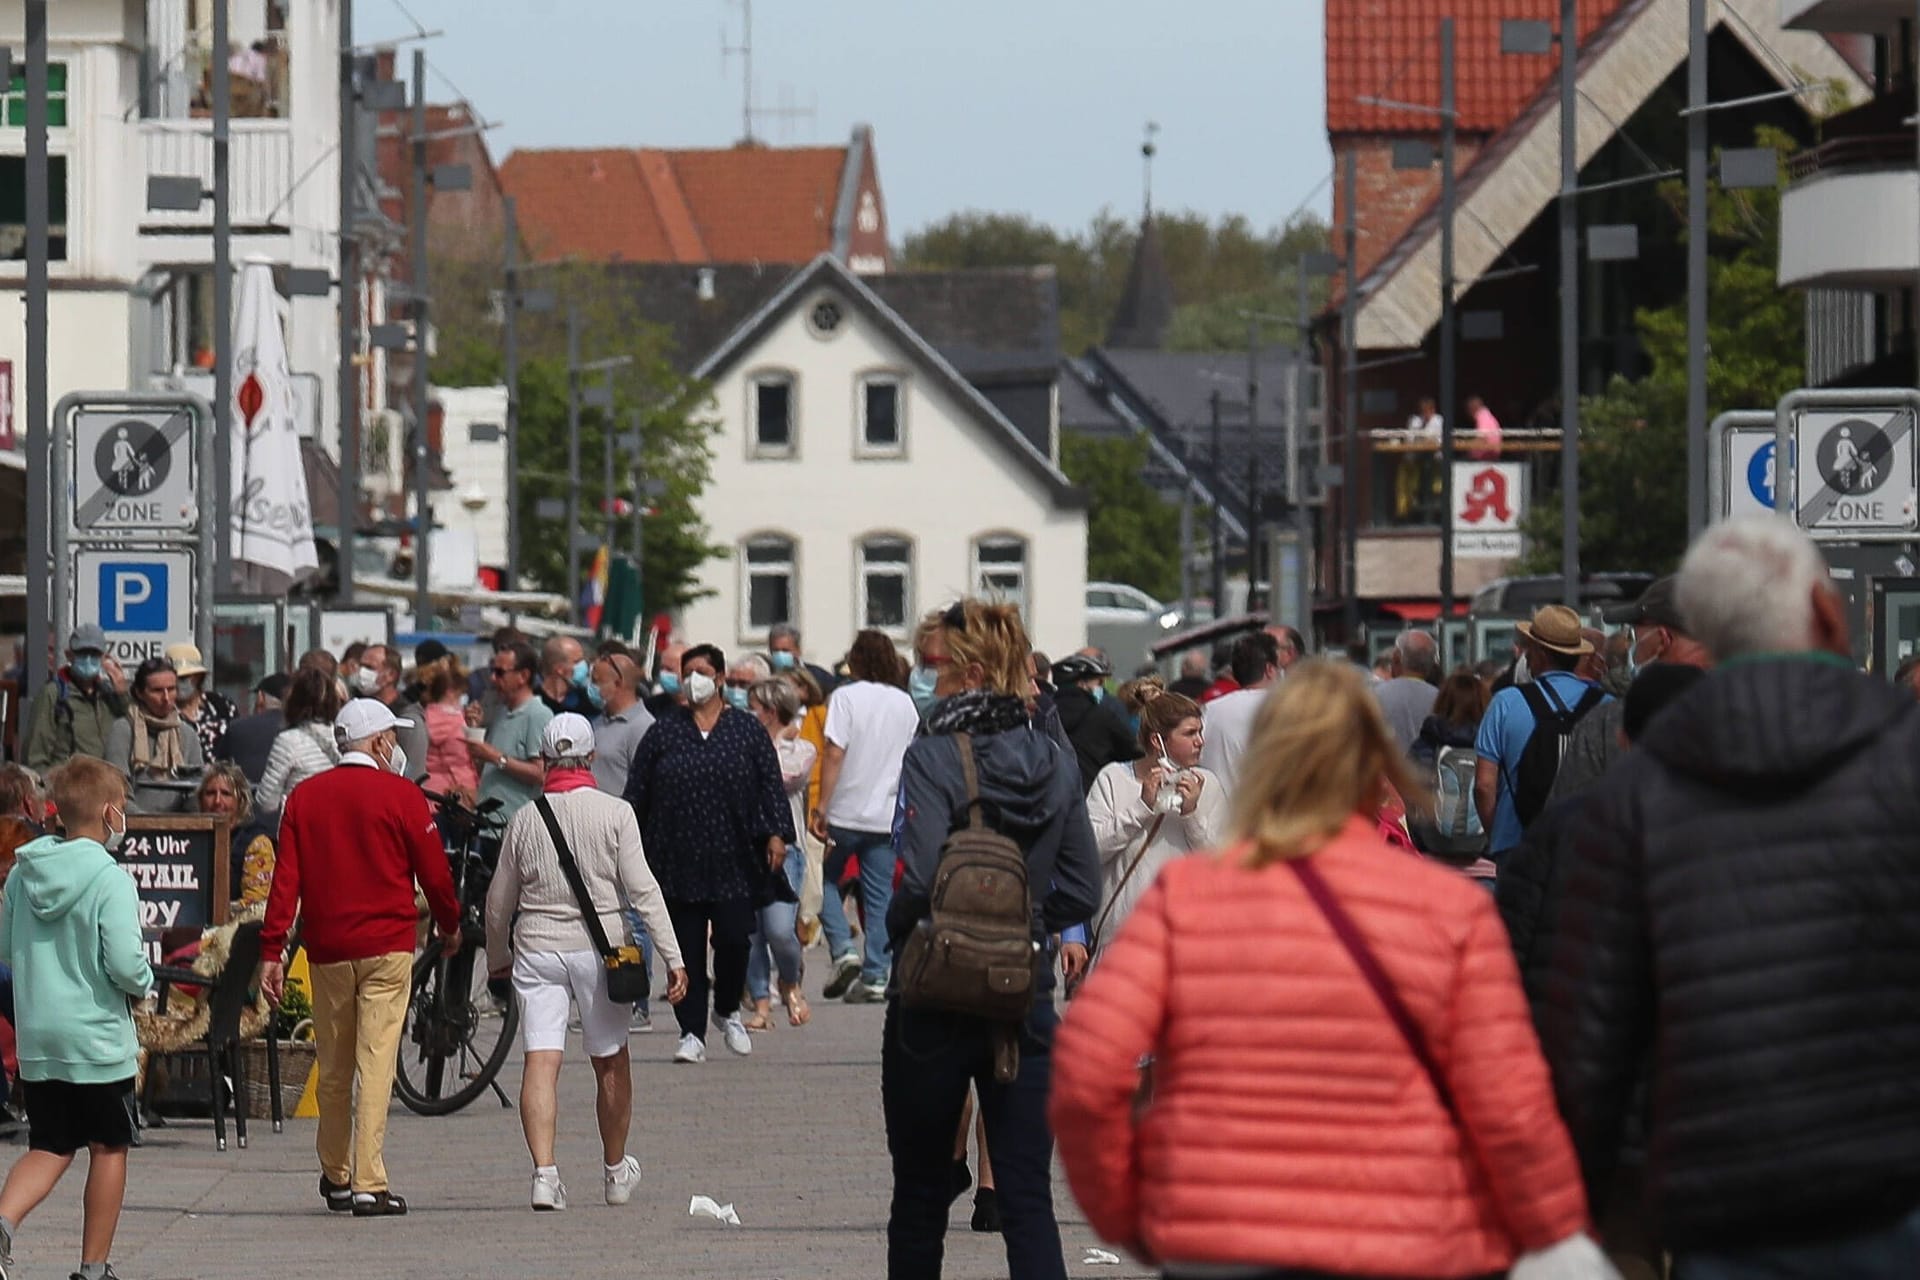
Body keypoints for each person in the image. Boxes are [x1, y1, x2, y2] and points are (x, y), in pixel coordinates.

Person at [1050, 659, 1602, 1280]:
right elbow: (1509, 1102)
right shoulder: (1447, 912)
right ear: (1376, 770)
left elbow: (1088, 1068)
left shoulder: (1190, 897)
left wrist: (1132, 1211)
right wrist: (1551, 1227)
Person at [1533, 516, 1920, 1278]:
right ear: (1829, 611)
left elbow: (1590, 1038)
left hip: (1726, 1206)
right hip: (1898, 1189)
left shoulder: (1636, 794)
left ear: (1691, 633)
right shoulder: (1905, 755)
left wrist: (1572, 1213)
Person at [884, 599, 1100, 1280]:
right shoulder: (1054, 757)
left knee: (920, 1199)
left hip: (935, 994)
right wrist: (1024, 922)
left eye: (930, 665)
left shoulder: (933, 754)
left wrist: (919, 930)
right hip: (1023, 996)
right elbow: (1082, 886)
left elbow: (915, 878)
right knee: (1029, 1200)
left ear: (969, 670)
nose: (922, 677)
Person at [261, 700, 460, 1218]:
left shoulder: (303, 798)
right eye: (392, 737)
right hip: (388, 945)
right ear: (376, 743)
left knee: (334, 1062)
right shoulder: (403, 796)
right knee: (376, 1062)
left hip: (327, 947)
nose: (396, 745)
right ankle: (370, 1179)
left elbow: (286, 883)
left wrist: (272, 951)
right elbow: (435, 874)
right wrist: (450, 923)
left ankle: (335, 1174)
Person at [484, 715, 688, 1212]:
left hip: (537, 947)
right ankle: (616, 1172)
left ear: (546, 761)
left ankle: (544, 1175)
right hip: (602, 951)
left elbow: (497, 903)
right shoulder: (616, 813)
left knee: (541, 1060)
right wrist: (674, 957)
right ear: (591, 758)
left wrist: (497, 959)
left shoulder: (526, 818)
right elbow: (643, 890)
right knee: (610, 1060)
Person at [0, 757, 154, 1280]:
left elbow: (4, 945)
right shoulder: (110, 879)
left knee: (48, 1145)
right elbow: (127, 965)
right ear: (112, 813)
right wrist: (145, 985)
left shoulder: (23, 873)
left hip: (40, 1036)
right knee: (109, 1146)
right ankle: (93, 1268)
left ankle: (2, 1223)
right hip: (96, 1038)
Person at [623, 644, 792, 1064]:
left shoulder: (746, 731)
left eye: (701, 671)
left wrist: (777, 834)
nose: (692, 679)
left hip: (734, 856)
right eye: (687, 672)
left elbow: (771, 783)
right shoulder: (664, 730)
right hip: (677, 858)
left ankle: (728, 1009)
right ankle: (691, 1031)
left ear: (719, 678)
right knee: (686, 950)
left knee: (736, 938)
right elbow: (637, 791)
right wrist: (625, 842)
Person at [1077, 679, 1225, 965]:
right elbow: (1090, 850)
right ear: (1158, 741)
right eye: (1190, 733)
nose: (1201, 741)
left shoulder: (1208, 784)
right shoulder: (1114, 779)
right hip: (1122, 944)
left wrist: (1192, 815)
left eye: (1201, 732)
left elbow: (1221, 866)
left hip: (1185, 944)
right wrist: (1142, 807)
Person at [811, 631, 922, 1003]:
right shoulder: (905, 703)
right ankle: (877, 973)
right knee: (879, 897)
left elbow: (835, 752)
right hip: (885, 813)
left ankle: (843, 948)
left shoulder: (845, 697)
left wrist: (823, 804)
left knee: (818, 881)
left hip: (844, 810)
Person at [1550, 576, 1713, 804]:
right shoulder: (1754, 714)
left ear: (1662, 639)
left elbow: (1565, 825)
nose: (1631, 649)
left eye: (1634, 636)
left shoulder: (1609, 723)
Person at [1472, 604, 1608, 863]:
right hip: (1586, 850)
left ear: (1540, 654)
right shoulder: (1607, 705)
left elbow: (1483, 786)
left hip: (1517, 847)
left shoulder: (1505, 702)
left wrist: (1499, 835)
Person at [742, 678, 814, 1031]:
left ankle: (790, 979)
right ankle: (761, 1003)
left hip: (787, 850)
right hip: (745, 849)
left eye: (753, 707)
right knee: (752, 932)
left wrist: (768, 744)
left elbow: (782, 778)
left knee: (780, 930)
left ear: (771, 712)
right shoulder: (743, 747)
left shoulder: (801, 750)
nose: (747, 713)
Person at [469, 641, 554, 830]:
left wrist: (496, 757)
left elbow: (541, 774)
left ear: (523, 676)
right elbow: (485, 766)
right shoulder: (501, 712)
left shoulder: (538, 714)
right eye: (492, 671)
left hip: (515, 827)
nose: (493, 678)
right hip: (488, 824)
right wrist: (475, 731)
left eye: (500, 672)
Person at [104, 658, 206, 815]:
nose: (166, 698)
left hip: (181, 827)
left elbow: (196, 789)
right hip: (134, 824)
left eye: (171, 689)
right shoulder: (124, 729)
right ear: (140, 693)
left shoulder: (186, 733)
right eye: (157, 691)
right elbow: (116, 789)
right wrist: (146, 822)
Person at [22, 626, 127, 773]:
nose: (88, 660)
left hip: (104, 787)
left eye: (94, 654)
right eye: (82, 654)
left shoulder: (109, 694)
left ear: (104, 658)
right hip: (66, 788)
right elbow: (35, 757)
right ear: (69, 655)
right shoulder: (53, 694)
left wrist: (122, 693)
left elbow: (130, 733)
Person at [1198, 631, 1281, 795]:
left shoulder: (1210, 710)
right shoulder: (1280, 707)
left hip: (1216, 814)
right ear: (1270, 669)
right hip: (1263, 813)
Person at [1048, 653, 1138, 797]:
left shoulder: (1046, 714)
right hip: (1098, 795)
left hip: (1059, 798)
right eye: (1099, 682)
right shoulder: (1103, 716)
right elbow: (1133, 751)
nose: (1102, 687)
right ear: (1082, 683)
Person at [255, 668, 343, 815]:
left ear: (292, 701)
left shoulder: (288, 741)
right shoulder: (341, 737)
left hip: (301, 824)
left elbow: (267, 802)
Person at [195, 763, 277, 906]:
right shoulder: (190, 841)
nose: (217, 801)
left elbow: (255, 905)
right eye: (210, 793)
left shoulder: (256, 843)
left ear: (240, 801)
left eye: (226, 794)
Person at [352, 645, 427, 780]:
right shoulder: (361, 709)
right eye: (361, 666)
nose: (361, 672)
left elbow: (414, 772)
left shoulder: (408, 719)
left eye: (370, 668)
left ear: (391, 675)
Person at [587, 653, 653, 796]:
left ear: (618, 683)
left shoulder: (644, 728)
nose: (591, 687)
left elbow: (646, 786)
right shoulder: (598, 722)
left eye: (596, 681)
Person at [217, 673, 289, 788]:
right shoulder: (300, 731)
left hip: (246, 801)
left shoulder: (237, 728)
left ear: (261, 697)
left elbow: (219, 768)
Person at [1372, 629, 1440, 752]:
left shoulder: (1375, 696)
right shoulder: (1440, 699)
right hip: (1428, 770)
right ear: (1432, 665)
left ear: (1397, 658)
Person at [420, 659, 478, 801]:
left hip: (430, 789)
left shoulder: (426, 716)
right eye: (462, 693)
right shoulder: (456, 721)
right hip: (456, 791)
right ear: (451, 692)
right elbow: (465, 757)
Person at [166, 643, 234, 762]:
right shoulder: (165, 709)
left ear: (197, 678)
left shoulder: (221, 705)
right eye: (173, 679)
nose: (177, 684)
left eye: (183, 678)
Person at [768, 622, 837, 695]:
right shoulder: (766, 676)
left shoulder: (819, 677)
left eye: (785, 650)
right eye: (775, 650)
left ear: (798, 650)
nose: (780, 654)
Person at [537, 636, 594, 718]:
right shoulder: (534, 702)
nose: (584, 666)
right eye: (577, 661)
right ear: (559, 669)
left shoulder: (586, 703)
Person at [642, 641, 687, 720]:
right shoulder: (651, 706)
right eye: (662, 668)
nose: (663, 673)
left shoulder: (704, 709)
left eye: (669, 669)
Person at [1466, 393, 1503, 458]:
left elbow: (1482, 437)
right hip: (1491, 451)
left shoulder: (1482, 415)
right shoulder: (1487, 415)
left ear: (1473, 408)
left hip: (1487, 452)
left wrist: (1469, 447)